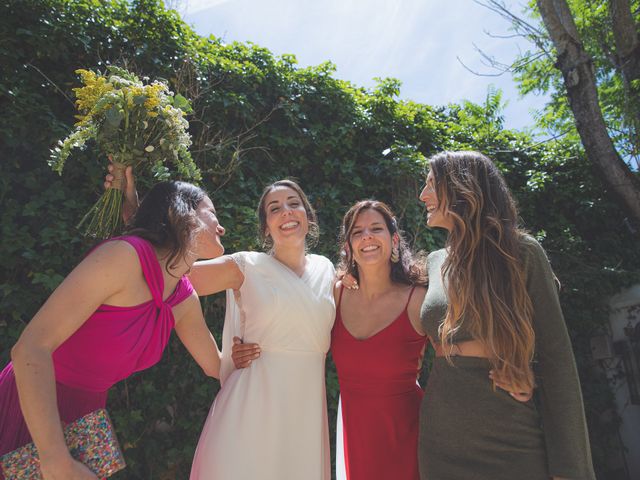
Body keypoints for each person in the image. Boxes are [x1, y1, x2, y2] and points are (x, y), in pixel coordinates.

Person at [0, 181, 228, 480]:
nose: (221, 227)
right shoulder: (124, 257)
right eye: (212, 213)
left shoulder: (183, 298)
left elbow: (217, 366)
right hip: (35, 400)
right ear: (182, 214)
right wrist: (54, 458)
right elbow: (29, 349)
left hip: (88, 414)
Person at [417, 151, 595, 480]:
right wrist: (350, 276)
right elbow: (388, 283)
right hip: (440, 436)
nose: (422, 196)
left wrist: (570, 468)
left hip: (509, 432)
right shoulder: (435, 261)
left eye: (431, 185)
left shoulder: (520, 251)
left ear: (460, 188)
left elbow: (557, 358)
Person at [187, 179, 336, 480]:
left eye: (294, 203)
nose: (286, 212)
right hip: (250, 408)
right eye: (274, 208)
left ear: (308, 215)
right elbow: (171, 280)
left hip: (304, 415)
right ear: (266, 227)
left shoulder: (329, 269)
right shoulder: (245, 266)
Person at [331, 200, 427, 480]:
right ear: (348, 246)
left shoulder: (417, 298)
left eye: (376, 228)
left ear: (394, 239)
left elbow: (456, 357)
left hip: (409, 439)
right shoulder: (334, 294)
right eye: (357, 232)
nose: (367, 237)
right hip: (355, 439)